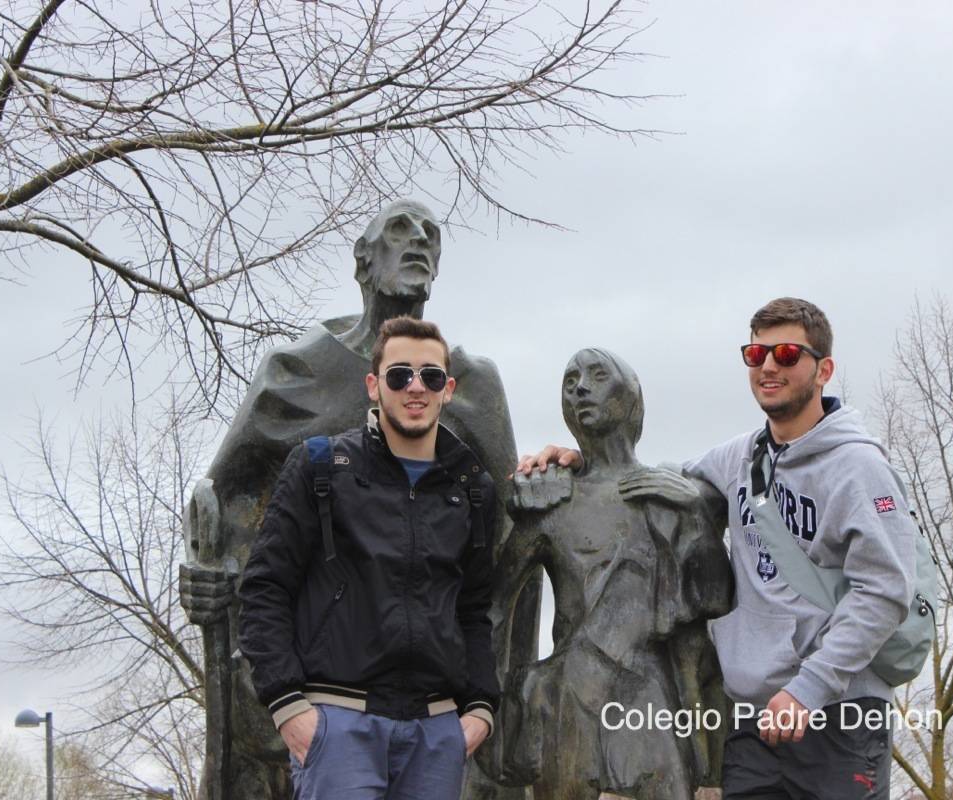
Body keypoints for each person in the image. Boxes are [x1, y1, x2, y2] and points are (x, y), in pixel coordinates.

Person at [178, 199, 527, 799]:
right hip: (334, 716)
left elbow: (504, 551)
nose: (417, 240)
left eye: (429, 234)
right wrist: (205, 574)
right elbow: (221, 503)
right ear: (363, 260)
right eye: (398, 230)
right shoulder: (297, 372)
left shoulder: (477, 392)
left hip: (436, 725)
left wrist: (480, 710)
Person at [516, 298, 918, 799]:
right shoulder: (737, 458)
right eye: (757, 354)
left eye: (788, 353)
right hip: (753, 723)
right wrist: (581, 461)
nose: (770, 365)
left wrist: (809, 688)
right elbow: (638, 482)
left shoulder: (858, 467)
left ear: (824, 369)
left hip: (837, 714)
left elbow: (885, 590)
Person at [238, 316, 499, 799]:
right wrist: (288, 705)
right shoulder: (320, 467)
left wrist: (481, 708)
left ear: (448, 389)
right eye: (400, 375)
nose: (415, 387)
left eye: (431, 376)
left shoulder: (473, 489)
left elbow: (474, 609)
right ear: (374, 386)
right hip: (338, 726)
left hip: (436, 734)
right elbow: (264, 588)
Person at [481, 348, 731, 799]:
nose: (580, 388)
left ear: (632, 395)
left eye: (598, 376)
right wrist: (488, 707)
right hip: (570, 703)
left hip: (656, 705)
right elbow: (496, 609)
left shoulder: (672, 493)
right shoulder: (551, 501)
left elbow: (714, 602)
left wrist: (694, 513)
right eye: (571, 380)